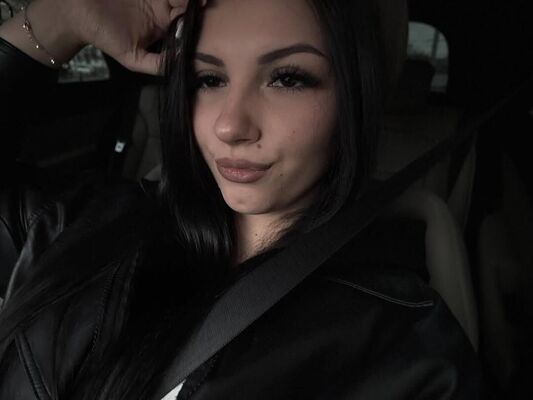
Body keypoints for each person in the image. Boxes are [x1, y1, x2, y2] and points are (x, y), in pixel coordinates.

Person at [0, 0, 484, 398]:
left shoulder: (403, 352)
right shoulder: (80, 222)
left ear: (355, 95)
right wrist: (58, 19)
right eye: (209, 79)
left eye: (288, 78)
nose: (230, 126)